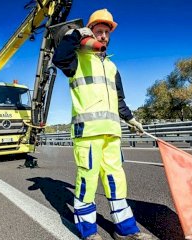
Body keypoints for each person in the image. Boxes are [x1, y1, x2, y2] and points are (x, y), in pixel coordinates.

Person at [52, 9, 153, 240]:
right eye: (99, 31)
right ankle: (88, 232)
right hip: (87, 132)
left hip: (112, 132)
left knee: (116, 178)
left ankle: (126, 230)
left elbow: (119, 100)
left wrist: (130, 119)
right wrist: (76, 34)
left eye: (107, 32)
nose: (104, 36)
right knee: (87, 179)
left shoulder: (112, 67)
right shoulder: (76, 59)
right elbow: (59, 58)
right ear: (90, 31)